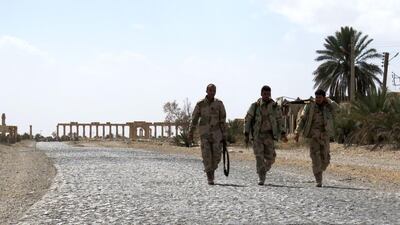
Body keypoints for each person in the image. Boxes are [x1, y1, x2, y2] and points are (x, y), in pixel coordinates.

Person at [244, 85, 287, 185]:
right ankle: (261, 177)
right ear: (261, 94)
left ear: (270, 94)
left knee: (271, 158)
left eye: (268, 94)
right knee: (259, 156)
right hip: (257, 135)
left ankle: (263, 170)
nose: (266, 96)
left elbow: (279, 120)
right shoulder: (255, 106)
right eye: (264, 94)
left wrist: (283, 133)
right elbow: (248, 119)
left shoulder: (275, 106)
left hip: (269, 135)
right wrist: (246, 133)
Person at [294, 89, 338, 187]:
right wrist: (297, 132)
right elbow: (302, 119)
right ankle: (318, 179)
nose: (318, 99)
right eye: (316, 97)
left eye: (320, 97)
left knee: (326, 159)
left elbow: (338, 109)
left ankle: (319, 170)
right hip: (314, 135)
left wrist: (329, 101)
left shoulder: (328, 106)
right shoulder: (309, 105)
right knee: (315, 158)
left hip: (325, 136)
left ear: (324, 97)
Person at [188, 84, 227, 185]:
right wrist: (191, 132)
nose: (212, 92)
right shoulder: (200, 104)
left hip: (216, 134)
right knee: (206, 155)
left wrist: (224, 134)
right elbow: (194, 119)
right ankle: (209, 175)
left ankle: (212, 170)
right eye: (210, 90)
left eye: (214, 91)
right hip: (204, 134)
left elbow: (223, 120)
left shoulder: (219, 104)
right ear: (206, 91)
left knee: (217, 156)